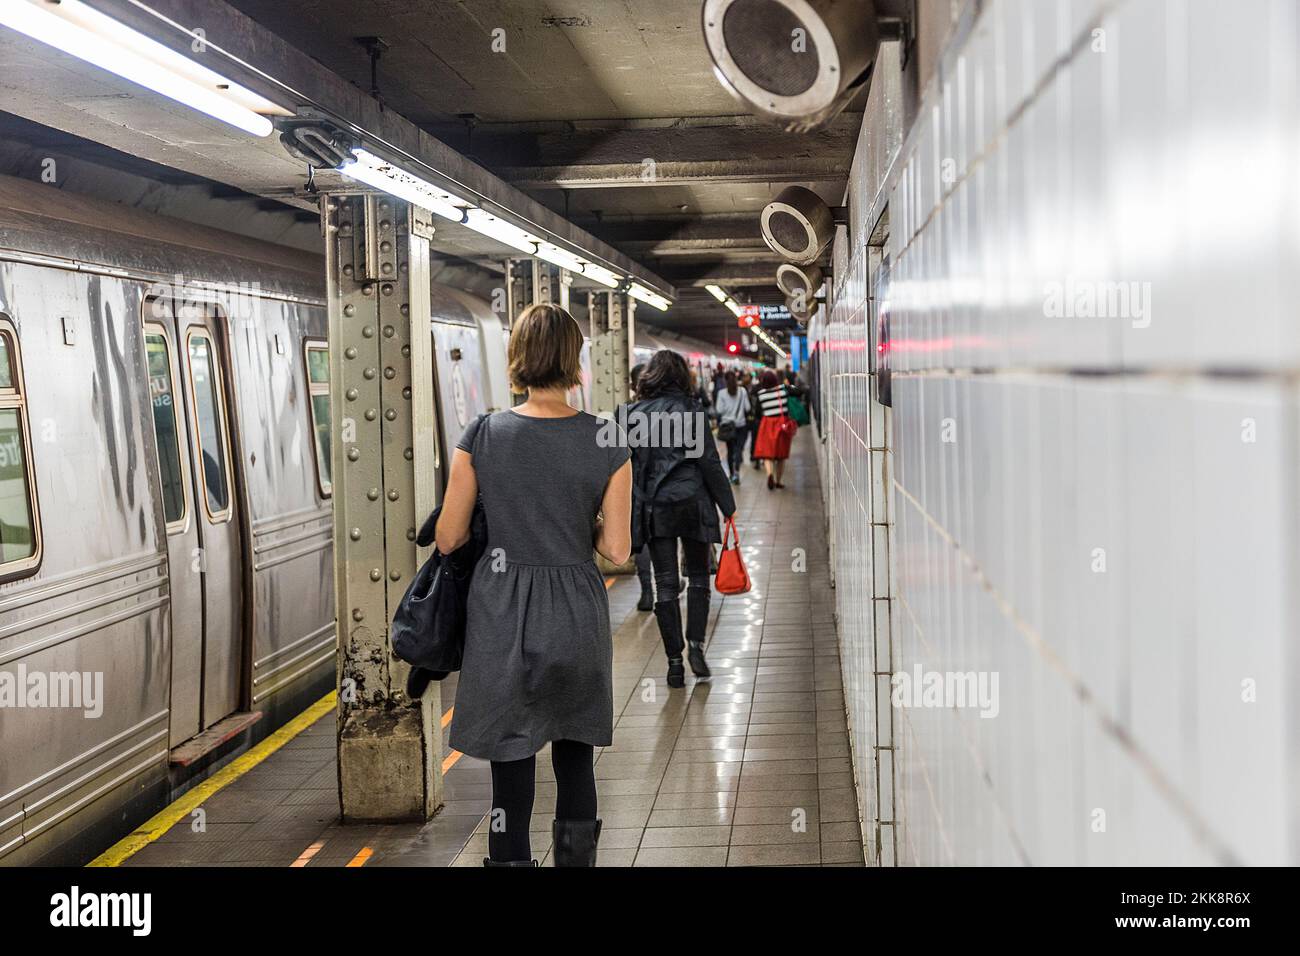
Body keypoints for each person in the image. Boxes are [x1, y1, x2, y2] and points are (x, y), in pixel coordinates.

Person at [435, 303, 632, 867]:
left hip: (502, 615)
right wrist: (579, 520)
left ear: (516, 358)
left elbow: (448, 538)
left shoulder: (484, 434)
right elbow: (617, 550)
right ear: (574, 362)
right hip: (575, 613)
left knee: (510, 773)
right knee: (574, 759)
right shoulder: (607, 440)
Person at [624, 350, 736, 688]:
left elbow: (623, 468)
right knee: (699, 578)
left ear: (650, 376)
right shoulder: (693, 412)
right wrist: (728, 505)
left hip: (654, 507)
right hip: (693, 504)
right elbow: (710, 464)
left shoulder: (630, 415)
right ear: (681, 377)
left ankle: (673, 662)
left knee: (667, 584)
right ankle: (696, 647)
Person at [630, 362, 655, 612]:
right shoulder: (665, 412)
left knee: (642, 539)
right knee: (662, 538)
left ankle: (647, 591)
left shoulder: (626, 413)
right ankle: (668, 582)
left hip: (634, 489)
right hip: (661, 488)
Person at [753, 368, 797, 490]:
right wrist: (789, 385)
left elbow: (757, 413)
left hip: (767, 424)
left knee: (768, 455)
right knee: (781, 456)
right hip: (781, 425)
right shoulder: (782, 390)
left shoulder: (761, 394)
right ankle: (778, 481)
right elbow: (797, 391)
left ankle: (769, 474)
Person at [712, 369, 751, 484]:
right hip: (741, 425)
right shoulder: (743, 391)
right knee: (739, 449)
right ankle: (737, 471)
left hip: (727, 426)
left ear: (725, 380)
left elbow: (719, 410)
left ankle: (731, 474)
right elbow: (747, 408)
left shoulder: (722, 393)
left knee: (730, 450)